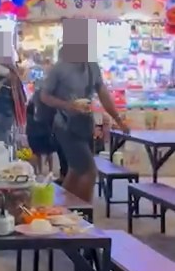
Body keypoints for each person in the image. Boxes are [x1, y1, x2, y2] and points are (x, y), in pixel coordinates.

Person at [41, 58, 128, 203]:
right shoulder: (60, 68)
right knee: (89, 171)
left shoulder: (92, 66)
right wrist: (67, 105)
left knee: (75, 170)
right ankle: (86, 215)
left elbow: (103, 93)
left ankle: (63, 211)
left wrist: (118, 119)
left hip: (84, 126)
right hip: (64, 126)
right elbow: (44, 96)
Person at [0, 62, 26, 145]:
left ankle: (2, 154)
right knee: (4, 136)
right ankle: (4, 154)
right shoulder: (9, 73)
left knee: (1, 137)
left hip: (3, 109)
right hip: (8, 109)